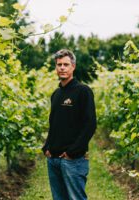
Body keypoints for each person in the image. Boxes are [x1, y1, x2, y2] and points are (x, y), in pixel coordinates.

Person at [42, 49, 97, 200]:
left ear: (73, 66)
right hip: (53, 160)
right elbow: (54, 124)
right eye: (59, 64)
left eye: (66, 64)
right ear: (55, 67)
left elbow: (90, 124)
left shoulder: (83, 91)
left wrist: (73, 152)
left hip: (72, 160)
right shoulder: (56, 94)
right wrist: (46, 147)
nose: (62, 68)